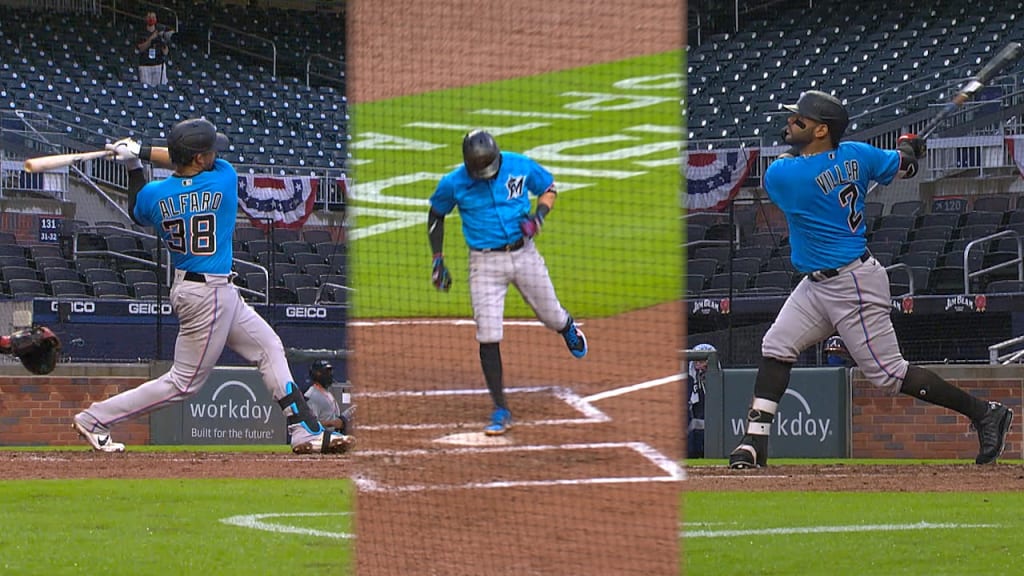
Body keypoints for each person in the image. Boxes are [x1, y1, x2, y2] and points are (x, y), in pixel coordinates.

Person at [728, 90, 1014, 469]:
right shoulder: (859, 154)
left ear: (820, 130)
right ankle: (754, 443)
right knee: (777, 345)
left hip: (852, 284)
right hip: (817, 284)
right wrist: (908, 150)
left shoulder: (787, 174)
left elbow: (791, 166)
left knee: (888, 375)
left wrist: (905, 153)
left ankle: (984, 412)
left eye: (799, 120)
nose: (790, 123)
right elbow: (906, 167)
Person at [72, 117, 353, 455]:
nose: (213, 155)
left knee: (269, 347)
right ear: (199, 158)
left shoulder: (155, 195)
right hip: (209, 294)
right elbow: (182, 160)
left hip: (204, 289)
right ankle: (95, 418)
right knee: (183, 384)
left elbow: (136, 208)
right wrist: (141, 151)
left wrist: (134, 163)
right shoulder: (223, 180)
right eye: (208, 151)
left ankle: (303, 429)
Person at [428, 129, 588, 436]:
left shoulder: (518, 165)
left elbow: (549, 188)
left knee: (551, 315)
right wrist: (438, 259)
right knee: (487, 334)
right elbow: (436, 215)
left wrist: (539, 216)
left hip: (524, 254)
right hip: (484, 264)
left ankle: (567, 327)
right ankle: (501, 408)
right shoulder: (454, 183)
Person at [686, 343, 717, 459]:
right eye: (696, 362)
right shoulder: (689, 383)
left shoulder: (719, 382)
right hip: (694, 438)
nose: (699, 366)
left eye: (702, 361)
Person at [304, 359, 351, 435]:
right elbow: (310, 424)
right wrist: (332, 423)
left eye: (330, 372)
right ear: (317, 374)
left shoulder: (327, 392)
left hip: (333, 437)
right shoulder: (312, 396)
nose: (330, 374)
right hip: (321, 439)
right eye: (326, 372)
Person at [136, 12, 170, 86]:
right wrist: (151, 38)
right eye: (149, 17)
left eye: (153, 17)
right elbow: (141, 48)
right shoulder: (141, 32)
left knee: (161, 87)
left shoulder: (160, 33)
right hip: (145, 65)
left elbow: (165, 50)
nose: (151, 19)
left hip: (158, 65)